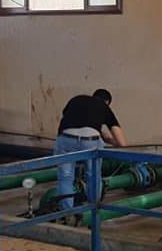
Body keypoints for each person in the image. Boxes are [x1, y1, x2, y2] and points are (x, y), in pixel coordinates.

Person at [54, 88, 126, 220]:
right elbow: (121, 142)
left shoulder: (76, 99)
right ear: (107, 102)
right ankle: (93, 211)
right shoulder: (104, 106)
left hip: (66, 138)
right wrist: (107, 139)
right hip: (90, 141)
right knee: (93, 176)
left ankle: (67, 215)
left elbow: (70, 118)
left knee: (65, 178)